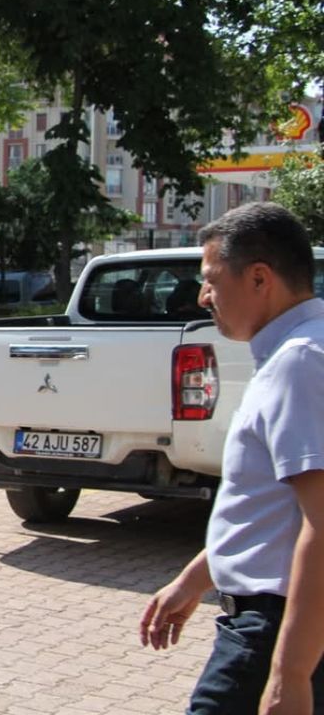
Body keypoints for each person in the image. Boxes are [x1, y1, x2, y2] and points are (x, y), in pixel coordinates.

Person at [141, 201, 324, 714]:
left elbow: (321, 522)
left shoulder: (300, 364)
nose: (204, 296)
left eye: (212, 279)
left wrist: (290, 675)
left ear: (260, 278)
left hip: (273, 625)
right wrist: (195, 579)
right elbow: (272, 512)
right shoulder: (300, 350)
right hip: (273, 618)